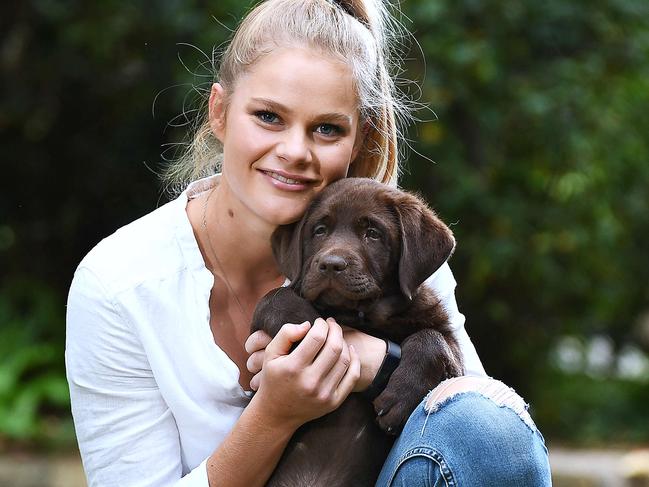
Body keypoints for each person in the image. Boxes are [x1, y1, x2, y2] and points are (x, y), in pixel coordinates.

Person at [65, 0, 552, 485]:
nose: (294, 152)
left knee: (489, 431)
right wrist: (275, 415)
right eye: (268, 117)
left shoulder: (396, 253)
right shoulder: (118, 285)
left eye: (326, 128)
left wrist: (379, 364)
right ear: (220, 111)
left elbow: (483, 433)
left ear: (359, 139)